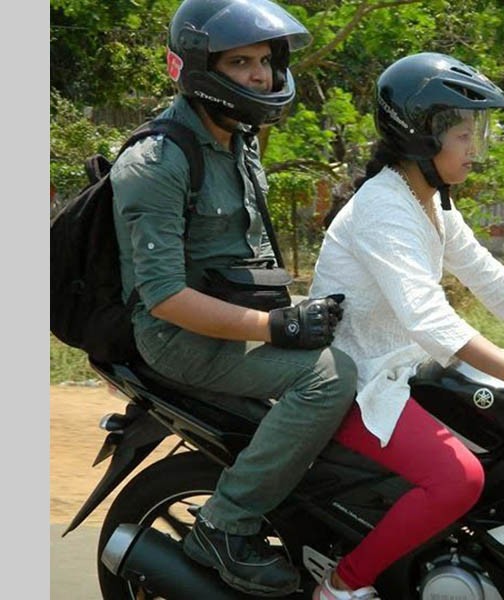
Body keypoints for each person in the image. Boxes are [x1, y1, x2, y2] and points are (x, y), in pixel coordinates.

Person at [307, 52, 504, 600]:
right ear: (421, 136)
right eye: (462, 133)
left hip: (401, 371)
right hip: (357, 384)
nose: (475, 148)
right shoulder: (384, 209)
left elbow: (487, 275)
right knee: (460, 478)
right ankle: (341, 585)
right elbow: (433, 321)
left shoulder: (427, 201)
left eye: (476, 132)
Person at [110, 0, 357, 596]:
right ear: (198, 68)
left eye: (266, 61)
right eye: (241, 61)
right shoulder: (156, 161)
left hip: (238, 324)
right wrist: (277, 329)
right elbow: (165, 298)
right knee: (329, 378)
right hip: (179, 340)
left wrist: (292, 313)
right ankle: (225, 524)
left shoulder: (237, 142)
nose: (261, 76)